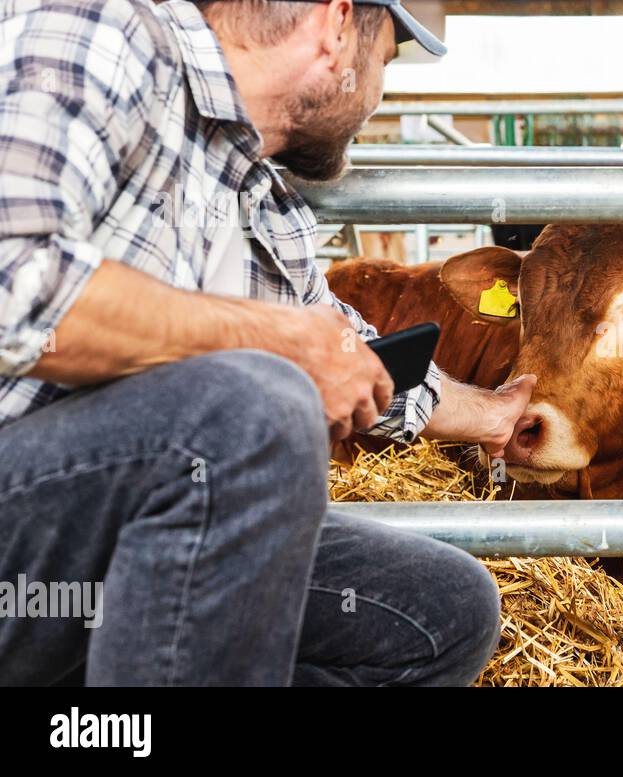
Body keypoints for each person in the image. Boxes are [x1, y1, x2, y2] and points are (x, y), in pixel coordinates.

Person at [0, 0, 533, 686]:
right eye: (386, 60)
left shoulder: (254, 190)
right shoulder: (106, 36)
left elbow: (345, 352)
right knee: (254, 406)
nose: (377, 94)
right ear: (338, 25)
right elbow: (15, 282)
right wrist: (278, 344)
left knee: (442, 609)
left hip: (104, 527)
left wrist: (493, 416)